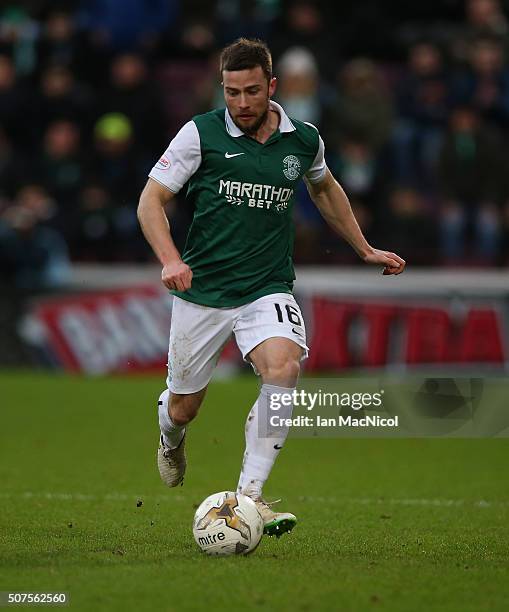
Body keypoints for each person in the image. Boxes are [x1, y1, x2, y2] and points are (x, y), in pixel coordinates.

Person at [137, 38, 406, 538]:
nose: (241, 103)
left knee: (283, 369)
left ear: (272, 87)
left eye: (252, 91)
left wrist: (363, 247)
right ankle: (170, 437)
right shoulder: (199, 134)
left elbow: (323, 187)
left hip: (268, 285)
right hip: (204, 290)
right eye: (232, 92)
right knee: (183, 407)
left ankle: (250, 498)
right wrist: (171, 259)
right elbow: (151, 201)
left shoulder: (303, 139)